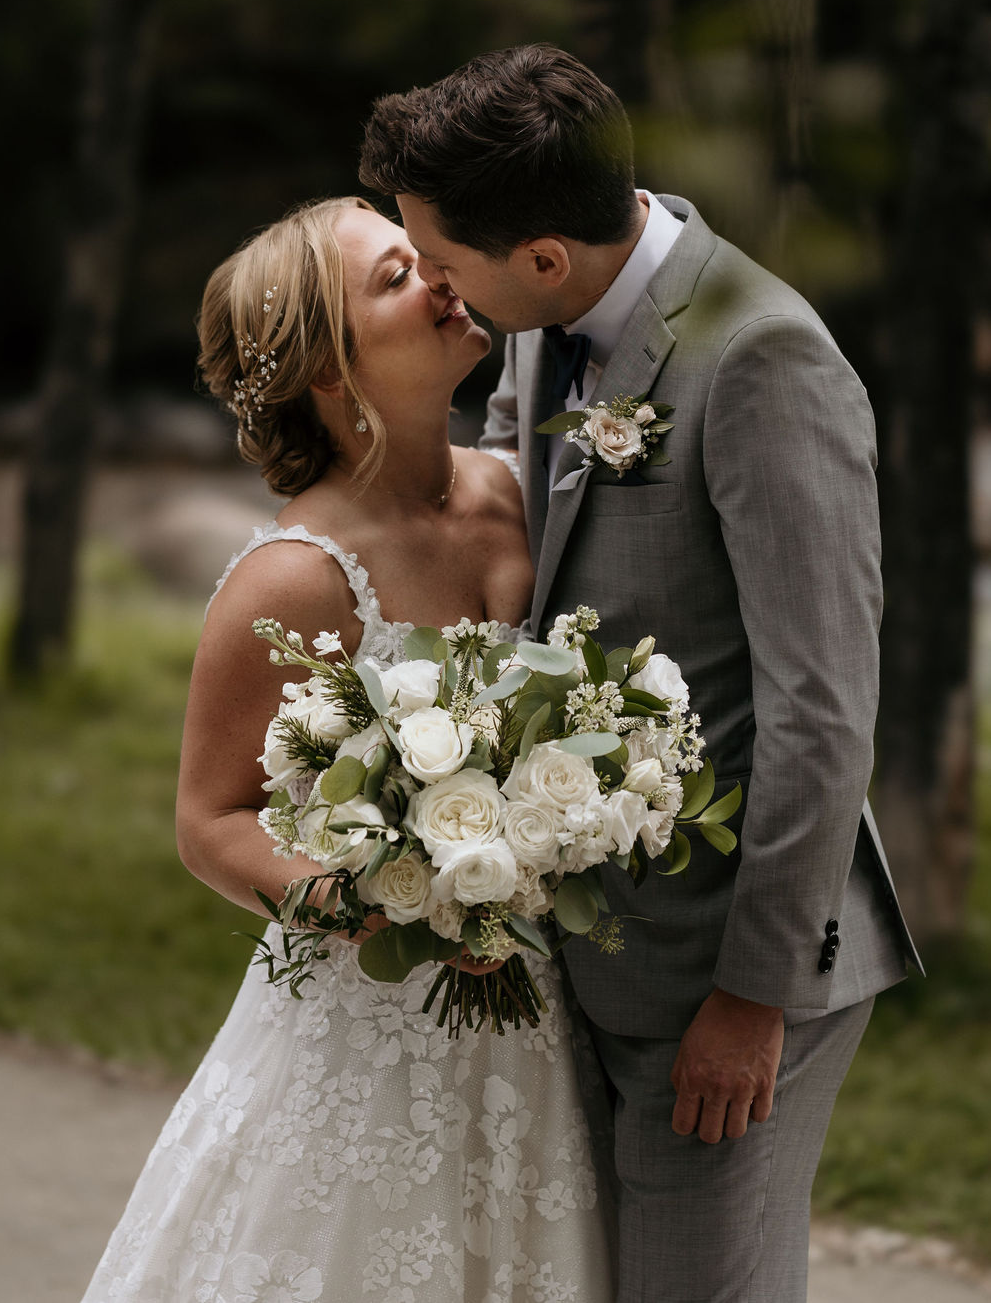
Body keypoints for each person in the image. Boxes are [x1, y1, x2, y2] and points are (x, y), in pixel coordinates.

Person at [358, 43, 921, 1302]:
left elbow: (823, 716)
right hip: (589, 935)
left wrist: (751, 997)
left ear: (544, 257)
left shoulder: (766, 359)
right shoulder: (542, 321)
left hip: (727, 962)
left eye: (445, 266)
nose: (442, 292)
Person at [82, 196, 613, 1302]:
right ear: (331, 372)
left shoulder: (526, 490)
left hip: (551, 1022)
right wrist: (379, 895)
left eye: (425, 259)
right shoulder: (294, 578)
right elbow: (209, 820)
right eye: (393, 279)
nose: (439, 279)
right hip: (374, 1026)